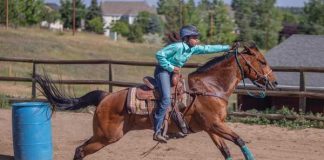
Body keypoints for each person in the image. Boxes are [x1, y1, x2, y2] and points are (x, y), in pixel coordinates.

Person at [153, 25, 234, 143]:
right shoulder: (177, 46)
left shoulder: (192, 48)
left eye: (197, 37)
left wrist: (227, 47)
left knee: (181, 98)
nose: (197, 40)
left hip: (173, 74)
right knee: (166, 98)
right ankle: (157, 130)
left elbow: (208, 48)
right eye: (195, 37)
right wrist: (170, 67)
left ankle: (173, 128)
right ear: (187, 38)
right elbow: (159, 54)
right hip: (163, 72)